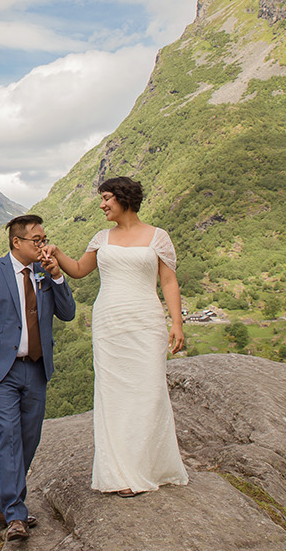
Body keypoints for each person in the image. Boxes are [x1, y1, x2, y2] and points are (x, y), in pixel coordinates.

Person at [50, 176, 188, 496]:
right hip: (109, 324)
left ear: (125, 199)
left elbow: (169, 282)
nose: (102, 205)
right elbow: (81, 269)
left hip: (146, 322)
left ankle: (145, 467)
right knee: (113, 396)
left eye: (107, 198)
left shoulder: (158, 237)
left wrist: (177, 324)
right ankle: (120, 474)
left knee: (148, 393)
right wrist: (57, 253)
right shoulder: (102, 238)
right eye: (102, 198)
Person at [0, 214, 76, 540]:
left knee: (29, 438)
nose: (43, 245)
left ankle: (2, 504)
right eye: (36, 240)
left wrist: (56, 276)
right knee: (9, 434)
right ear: (17, 242)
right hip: (1, 370)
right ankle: (15, 515)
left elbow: (67, 314)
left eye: (43, 239)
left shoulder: (44, 271)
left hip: (36, 367)